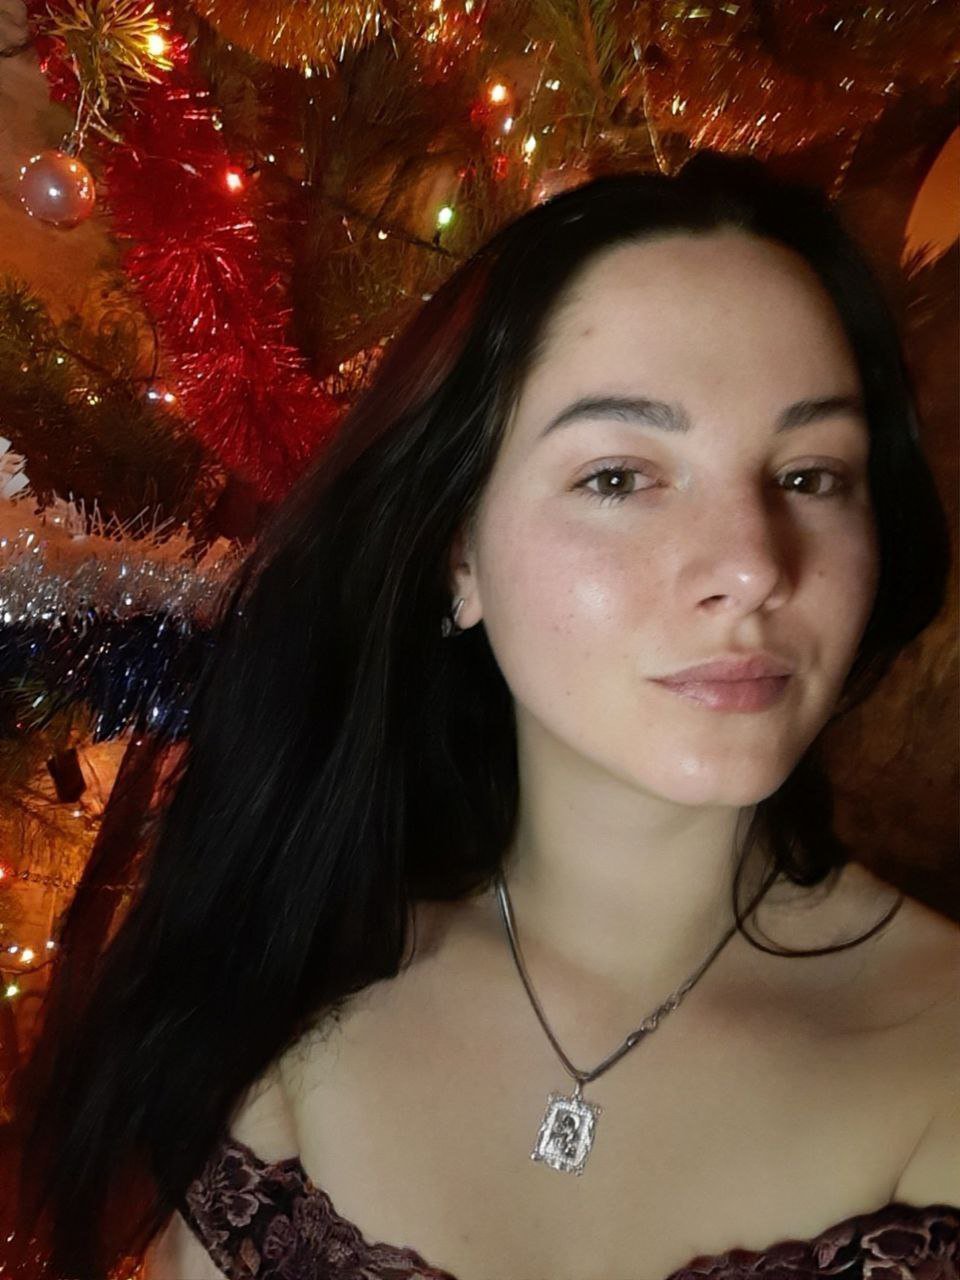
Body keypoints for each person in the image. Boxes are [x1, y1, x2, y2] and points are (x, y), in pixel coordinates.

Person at [12, 150, 959, 1280]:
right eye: (620, 477)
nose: (754, 566)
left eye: (811, 475)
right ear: (458, 556)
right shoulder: (288, 995)